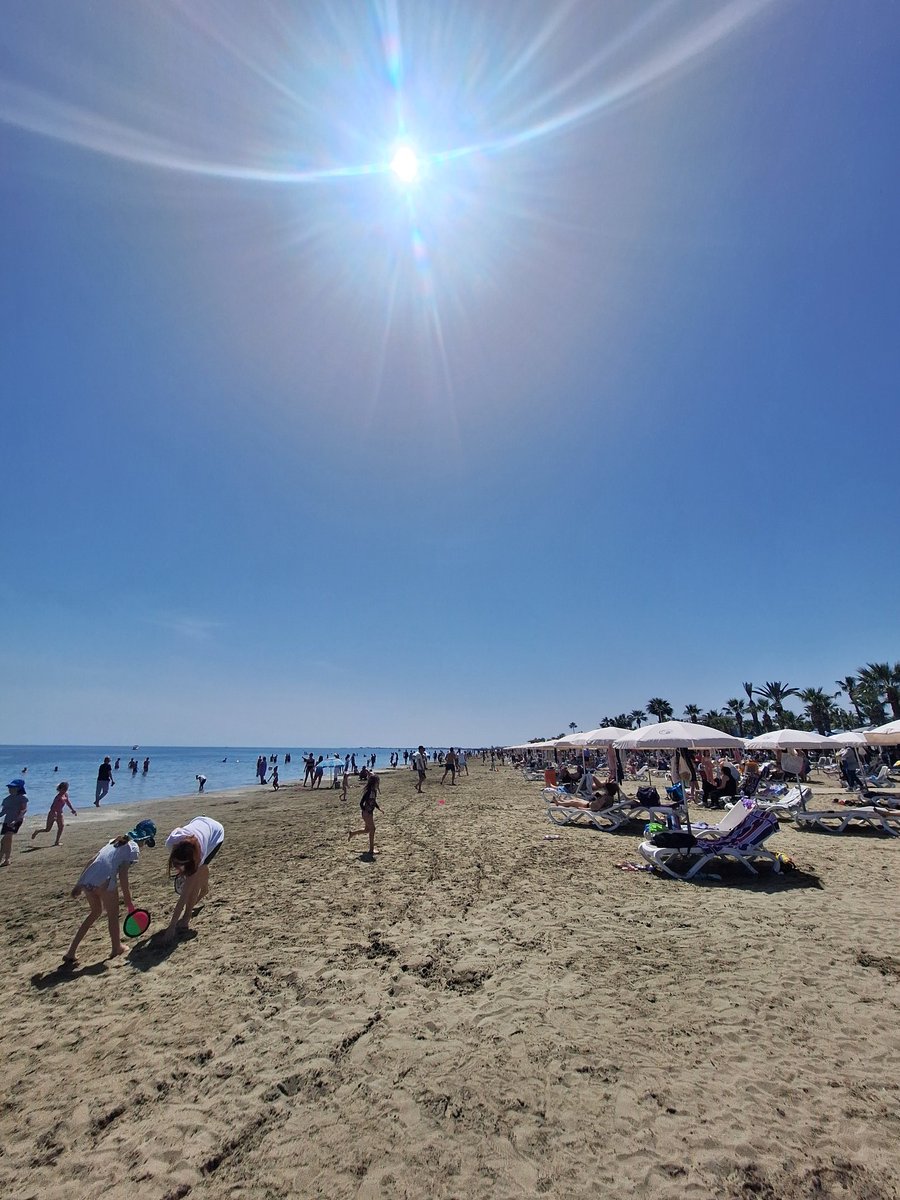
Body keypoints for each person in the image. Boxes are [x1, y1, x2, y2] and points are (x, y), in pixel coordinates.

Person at [64, 820, 157, 963]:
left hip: (89, 879)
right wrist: (128, 900)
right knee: (113, 915)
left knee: (94, 913)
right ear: (145, 839)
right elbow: (123, 875)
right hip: (105, 880)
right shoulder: (133, 848)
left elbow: (92, 860)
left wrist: (79, 884)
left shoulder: (114, 841)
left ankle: (71, 951)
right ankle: (116, 947)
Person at [163, 816, 225, 944]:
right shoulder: (171, 843)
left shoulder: (199, 855)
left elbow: (184, 896)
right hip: (199, 821)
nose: (178, 868)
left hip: (215, 832)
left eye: (182, 866)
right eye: (176, 864)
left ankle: (186, 919)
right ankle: (205, 889)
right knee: (197, 873)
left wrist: (172, 926)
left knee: (194, 880)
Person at [32, 781, 77, 845]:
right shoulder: (57, 797)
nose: (65, 790)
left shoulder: (65, 795)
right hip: (52, 813)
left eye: (66, 789)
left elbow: (68, 802)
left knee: (61, 827)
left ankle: (57, 841)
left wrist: (72, 810)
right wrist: (54, 813)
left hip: (60, 813)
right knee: (47, 829)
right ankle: (37, 831)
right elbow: (52, 806)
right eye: (63, 789)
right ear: (60, 789)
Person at [348, 772, 380, 857]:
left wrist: (379, 808)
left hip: (370, 813)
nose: (378, 783)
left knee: (367, 830)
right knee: (372, 829)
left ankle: (352, 833)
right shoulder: (369, 791)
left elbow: (373, 801)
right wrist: (365, 811)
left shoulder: (374, 791)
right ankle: (371, 849)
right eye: (377, 781)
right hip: (366, 813)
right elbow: (361, 803)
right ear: (374, 782)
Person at [1, 779, 28, 866]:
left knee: (6, 838)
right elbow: (3, 812)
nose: (10, 789)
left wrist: (15, 820)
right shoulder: (6, 800)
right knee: (5, 841)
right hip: (7, 821)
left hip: (17, 821)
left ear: (18, 788)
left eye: (13, 788)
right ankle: (6, 860)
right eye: (9, 787)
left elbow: (23, 810)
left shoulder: (23, 798)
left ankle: (4, 859)